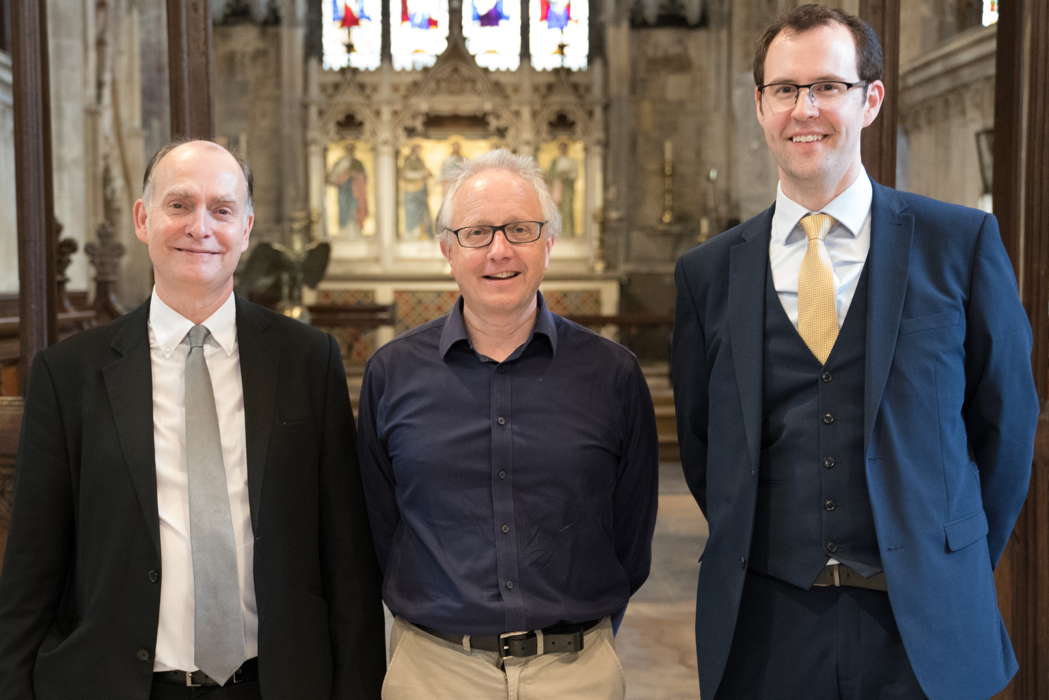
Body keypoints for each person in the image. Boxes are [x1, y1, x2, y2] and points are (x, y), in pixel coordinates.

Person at [671, 5, 1038, 700]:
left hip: (923, 627)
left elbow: (1005, 426)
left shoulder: (959, 244)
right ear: (760, 106)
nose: (804, 109)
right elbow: (705, 447)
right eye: (785, 89)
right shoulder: (708, 273)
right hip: (768, 627)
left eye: (827, 86)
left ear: (870, 99)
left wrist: (948, 559)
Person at [0, 139, 386, 699]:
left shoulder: (307, 360)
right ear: (143, 218)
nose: (199, 227)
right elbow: (31, 572)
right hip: (120, 684)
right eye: (179, 205)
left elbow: (346, 559)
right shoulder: (70, 375)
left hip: (277, 682)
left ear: (246, 228)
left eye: (222, 209)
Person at [357, 149, 658, 700]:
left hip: (576, 673)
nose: (499, 251)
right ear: (447, 249)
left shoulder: (612, 374)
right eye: (476, 233)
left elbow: (632, 535)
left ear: (549, 241)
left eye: (520, 229)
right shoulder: (392, 374)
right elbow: (380, 526)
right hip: (434, 672)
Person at [546, 142, 578, 237]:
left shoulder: (572, 161)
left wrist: (566, 175)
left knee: (567, 209)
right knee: (556, 210)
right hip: (556, 187)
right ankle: (557, 232)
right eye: (561, 148)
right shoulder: (555, 161)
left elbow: (575, 175)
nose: (563, 150)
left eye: (564, 148)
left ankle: (568, 232)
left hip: (567, 187)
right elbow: (550, 174)